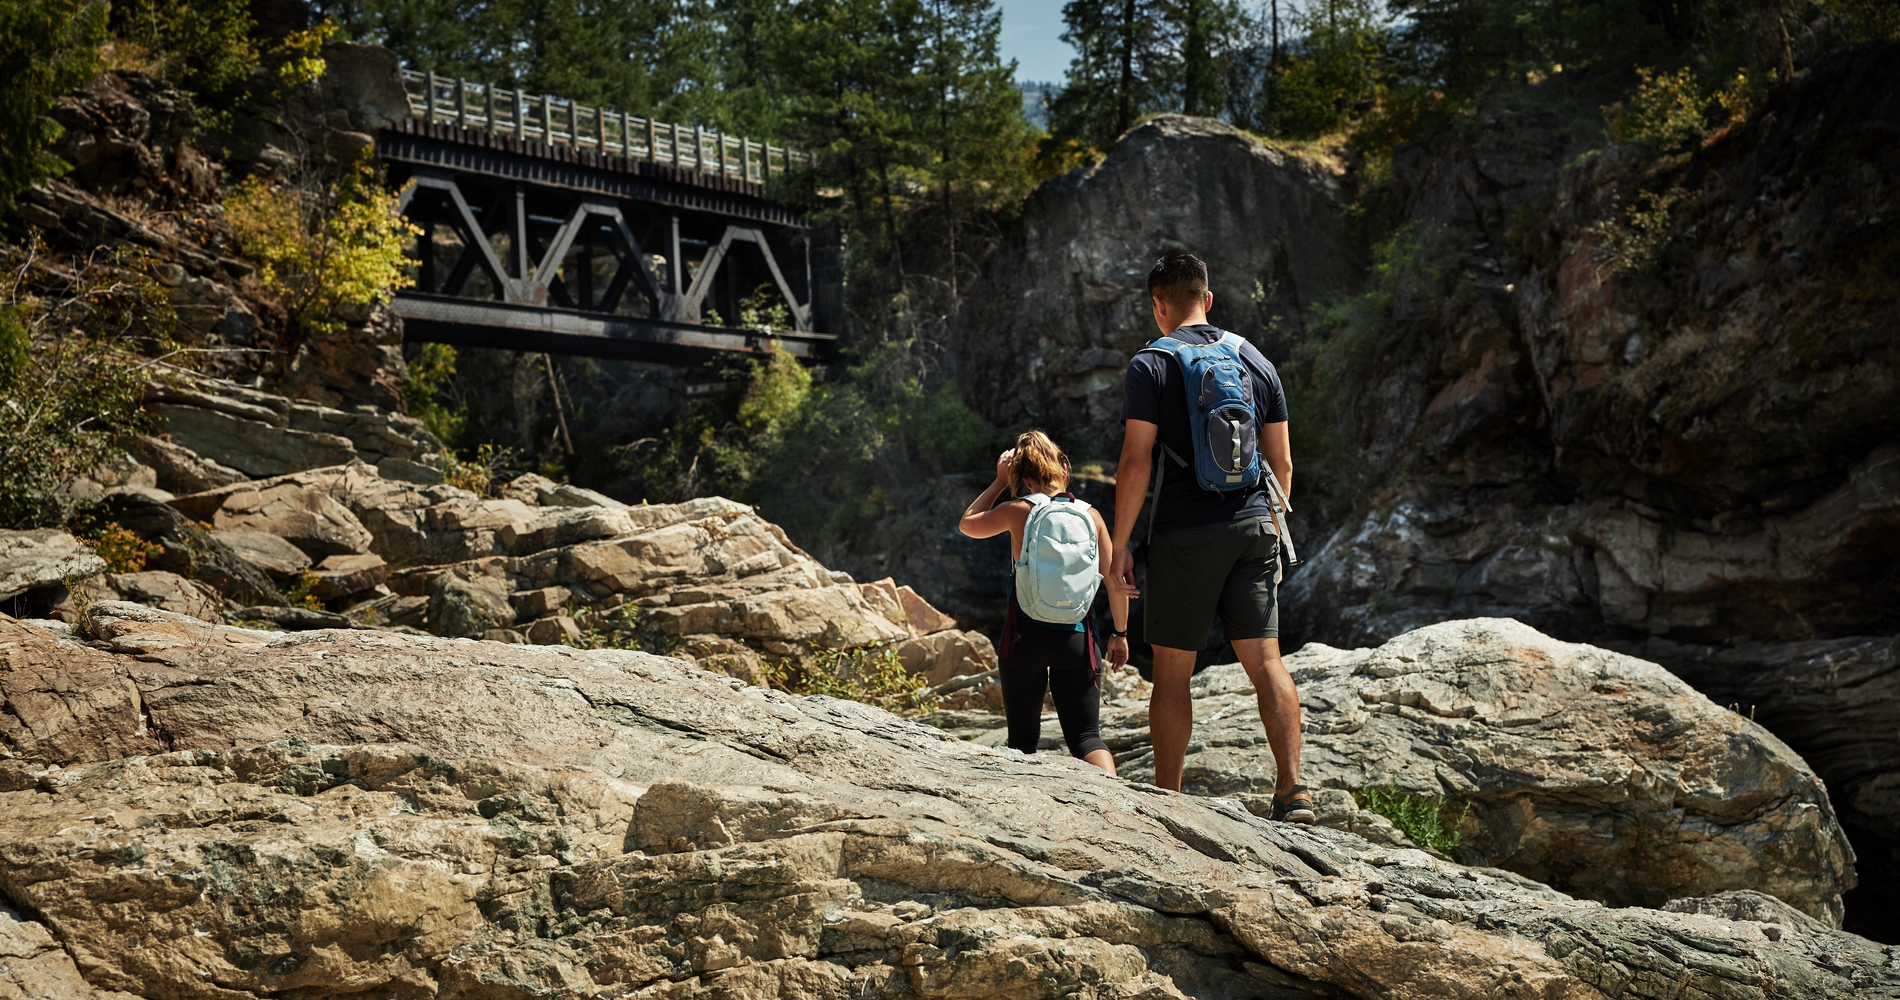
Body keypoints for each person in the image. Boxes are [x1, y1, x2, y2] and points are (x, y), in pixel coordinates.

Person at [1107, 251, 1313, 823]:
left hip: (1184, 531)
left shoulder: (1151, 365)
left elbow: (1135, 462)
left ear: (1159, 306)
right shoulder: (1256, 361)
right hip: (1253, 526)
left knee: (1173, 670)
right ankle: (1292, 790)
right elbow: (1284, 464)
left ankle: (1168, 801)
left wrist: (1120, 544)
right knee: (1267, 659)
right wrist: (1270, 528)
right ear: (1209, 298)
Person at [959, 430, 1128, 773]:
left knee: (1022, 742)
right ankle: (1117, 799)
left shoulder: (1018, 510)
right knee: (1087, 738)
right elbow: (1113, 581)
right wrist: (1121, 634)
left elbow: (967, 524)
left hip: (1024, 640)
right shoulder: (1091, 516)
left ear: (1024, 479)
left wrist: (999, 482)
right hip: (1077, 641)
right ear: (1064, 472)